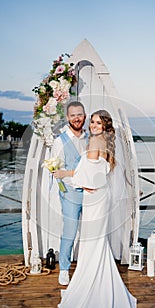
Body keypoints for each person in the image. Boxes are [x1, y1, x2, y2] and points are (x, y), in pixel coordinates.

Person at [55, 109, 137, 308]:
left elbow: (87, 174)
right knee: (97, 243)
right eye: (92, 121)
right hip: (100, 195)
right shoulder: (107, 142)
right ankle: (102, 286)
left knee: (92, 244)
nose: (92, 125)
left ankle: (91, 292)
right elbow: (100, 172)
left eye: (97, 123)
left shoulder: (94, 142)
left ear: (104, 125)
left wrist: (67, 176)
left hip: (93, 199)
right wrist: (85, 180)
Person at [52, 101, 87, 286]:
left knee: (91, 231)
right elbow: (57, 172)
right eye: (73, 115)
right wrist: (68, 190)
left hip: (91, 194)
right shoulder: (60, 141)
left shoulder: (91, 138)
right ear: (67, 118)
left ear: (85, 116)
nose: (76, 118)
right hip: (71, 194)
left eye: (79, 114)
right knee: (70, 232)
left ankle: (88, 267)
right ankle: (64, 269)